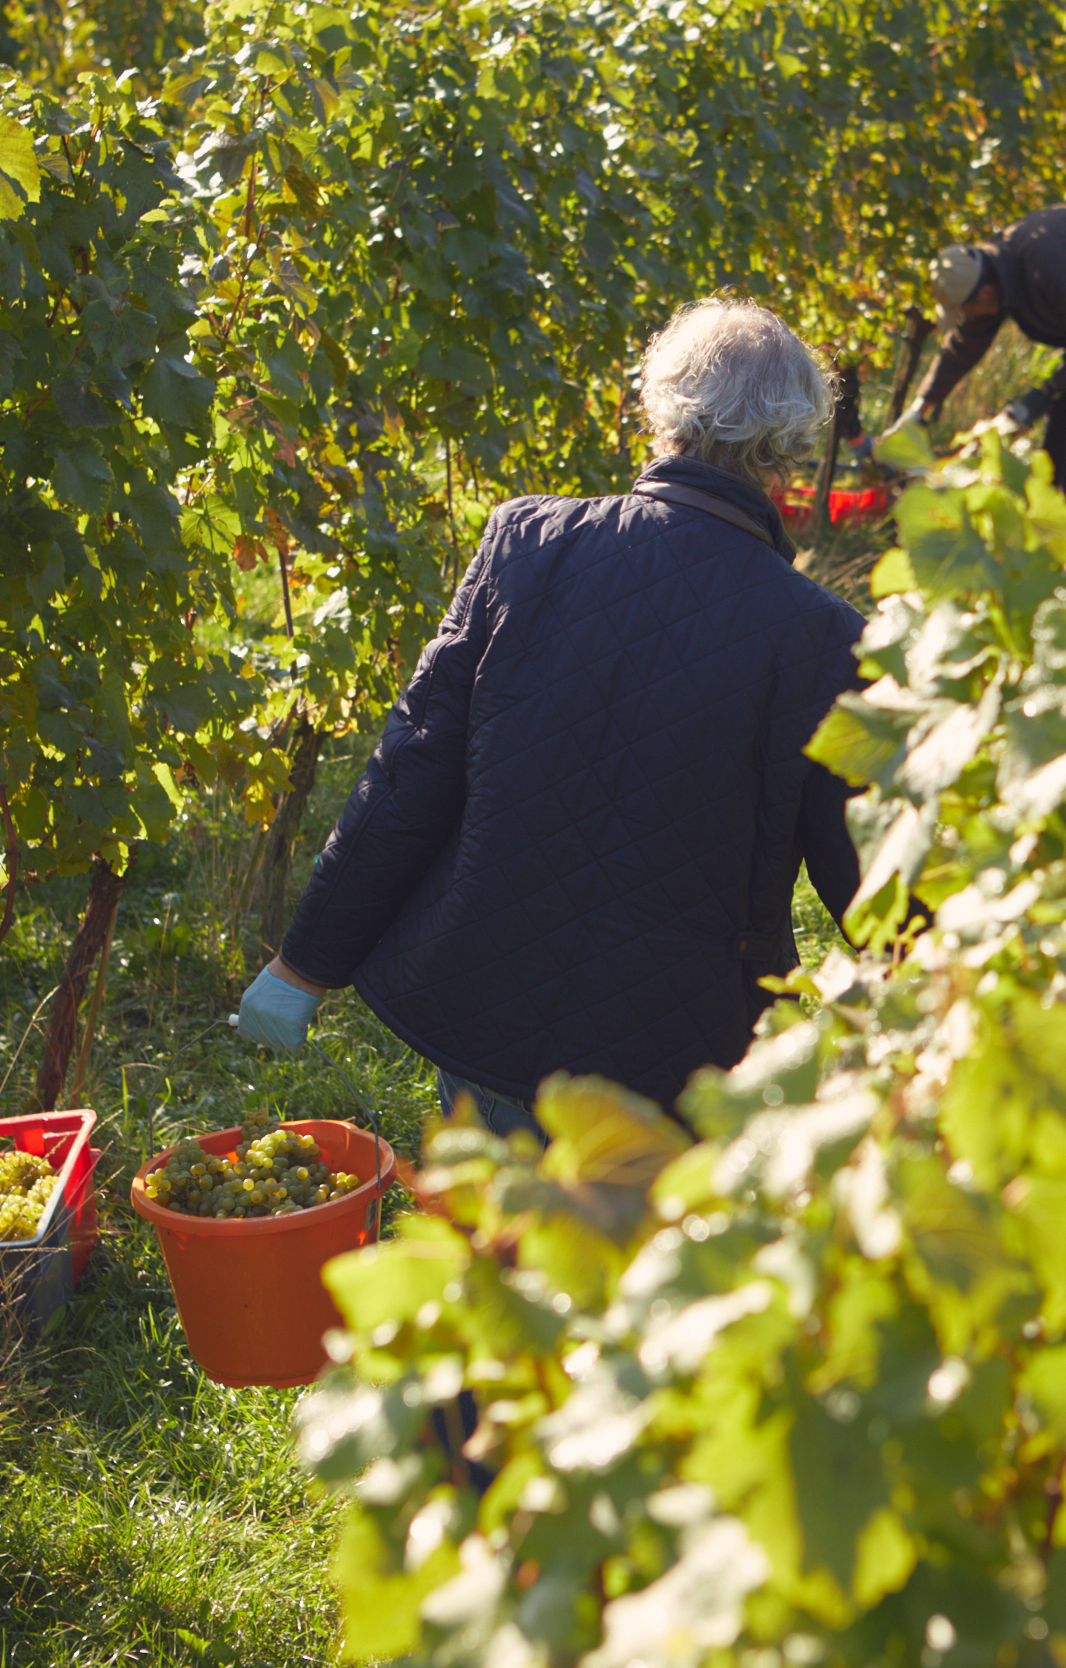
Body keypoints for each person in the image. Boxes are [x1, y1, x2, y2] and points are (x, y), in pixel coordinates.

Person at [235, 298, 866, 1133]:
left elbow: (411, 771)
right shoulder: (823, 635)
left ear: (657, 409)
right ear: (790, 445)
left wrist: (302, 967)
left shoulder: (526, 544)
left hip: (487, 1007)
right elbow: (865, 871)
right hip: (682, 1056)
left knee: (496, 1248)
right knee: (643, 1262)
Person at [887, 204, 1066, 505]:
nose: (967, 317)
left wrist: (1042, 395)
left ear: (984, 293)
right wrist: (918, 411)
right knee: (1061, 419)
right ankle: (1053, 511)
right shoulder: (992, 273)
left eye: (966, 310)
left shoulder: (1048, 267)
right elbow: (964, 345)